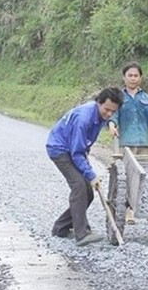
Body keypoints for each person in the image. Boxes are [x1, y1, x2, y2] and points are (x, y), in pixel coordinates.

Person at [47, 87, 124, 247]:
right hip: (60, 149)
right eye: (107, 109)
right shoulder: (84, 118)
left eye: (113, 111)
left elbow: (83, 147)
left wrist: (88, 172)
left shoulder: (100, 115)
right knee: (79, 187)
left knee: (88, 192)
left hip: (74, 149)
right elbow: (76, 153)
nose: (109, 114)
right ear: (98, 103)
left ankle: (60, 227)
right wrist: (90, 175)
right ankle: (82, 234)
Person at [107, 62, 148, 224]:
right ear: (124, 77)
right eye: (130, 75)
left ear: (140, 78)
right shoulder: (119, 97)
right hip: (126, 143)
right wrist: (112, 124)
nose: (133, 78)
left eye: (136, 75)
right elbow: (113, 114)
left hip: (145, 143)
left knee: (146, 176)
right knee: (127, 177)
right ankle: (128, 211)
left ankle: (147, 211)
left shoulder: (147, 98)